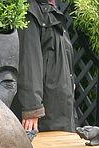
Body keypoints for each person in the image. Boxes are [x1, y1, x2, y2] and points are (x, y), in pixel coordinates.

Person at [12, 0, 75, 132]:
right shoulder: (29, 12)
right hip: (43, 115)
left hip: (61, 108)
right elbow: (29, 62)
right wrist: (32, 110)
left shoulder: (53, 11)